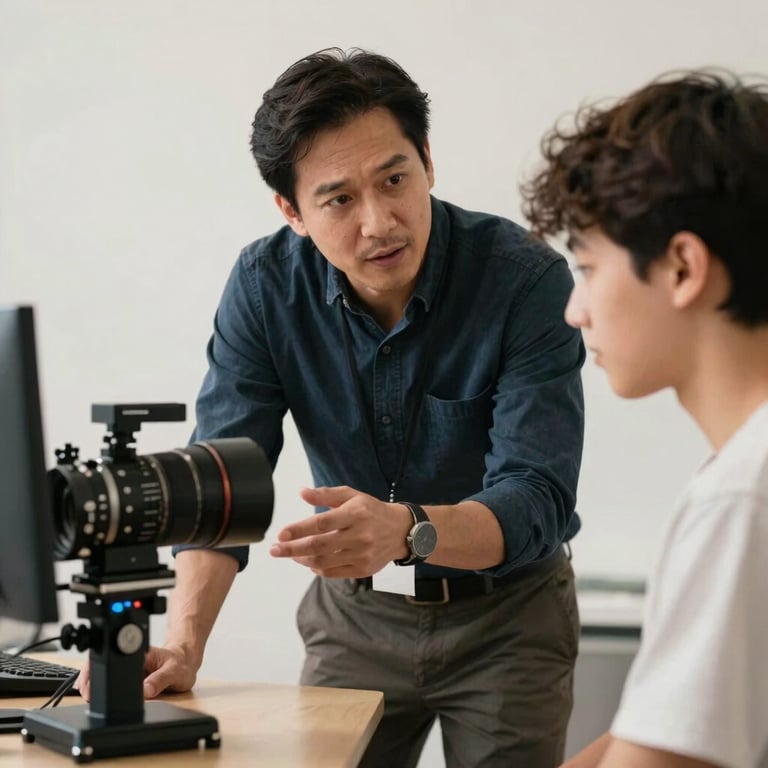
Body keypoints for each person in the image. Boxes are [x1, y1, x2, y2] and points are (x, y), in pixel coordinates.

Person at [78, 47, 585, 767]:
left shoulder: (524, 281)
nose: (379, 222)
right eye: (339, 199)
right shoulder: (265, 288)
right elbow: (222, 477)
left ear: (428, 161)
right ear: (291, 210)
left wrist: (406, 530)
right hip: (355, 618)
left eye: (395, 179)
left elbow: (537, 497)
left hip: (509, 618)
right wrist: (183, 645)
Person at [521, 70, 768, 768]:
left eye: (589, 268)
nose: (575, 310)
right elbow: (654, 729)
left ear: (683, 267)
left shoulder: (743, 496)